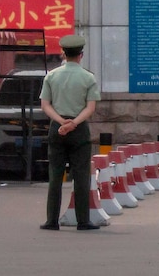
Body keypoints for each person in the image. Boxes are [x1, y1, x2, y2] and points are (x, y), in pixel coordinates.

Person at [39, 34, 102, 231]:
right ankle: (83, 221)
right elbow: (90, 108)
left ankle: (51, 221)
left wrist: (60, 122)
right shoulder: (88, 77)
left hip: (56, 128)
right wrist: (73, 123)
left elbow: (45, 105)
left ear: (63, 54)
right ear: (81, 55)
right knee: (82, 176)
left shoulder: (51, 76)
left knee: (55, 175)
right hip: (79, 129)